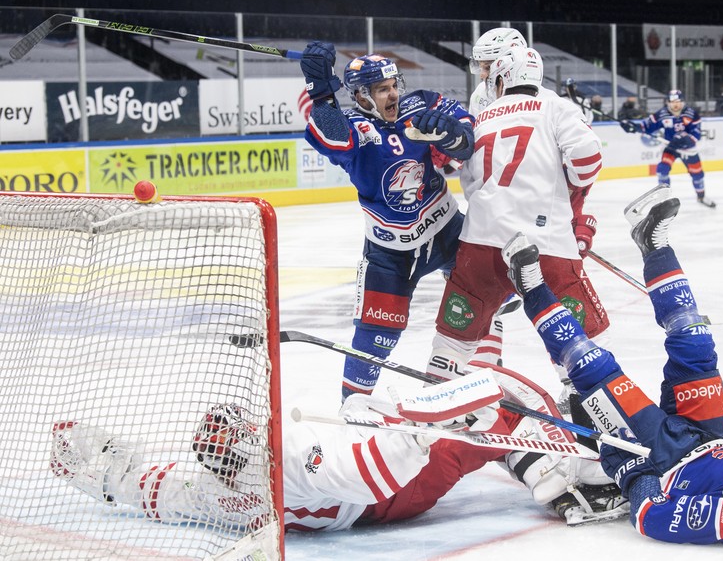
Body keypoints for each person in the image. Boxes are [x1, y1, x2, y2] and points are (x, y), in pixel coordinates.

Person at [499, 185, 723, 547]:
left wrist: (635, 473)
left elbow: (651, 518)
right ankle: (653, 243)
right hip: (708, 435)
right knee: (694, 337)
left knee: (591, 364)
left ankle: (531, 289)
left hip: (662, 457)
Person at [49, 369, 627, 532]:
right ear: (252, 441)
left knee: (467, 412)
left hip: (363, 497)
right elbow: (371, 475)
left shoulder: (220, 494)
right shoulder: (294, 453)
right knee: (499, 397)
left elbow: (159, 490)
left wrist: (103, 473)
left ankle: (533, 459)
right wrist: (419, 428)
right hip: (393, 496)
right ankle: (579, 468)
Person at [424, 47, 611, 487]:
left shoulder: (482, 116)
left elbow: (447, 164)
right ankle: (586, 407)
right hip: (544, 244)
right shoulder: (557, 106)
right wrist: (566, 201)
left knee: (455, 337)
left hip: (480, 244)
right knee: (577, 333)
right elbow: (586, 163)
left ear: (501, 75)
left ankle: (436, 401)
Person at [300, 41, 487, 401]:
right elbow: (330, 137)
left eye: (393, 86)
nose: (393, 95)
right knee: (375, 334)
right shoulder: (355, 128)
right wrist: (321, 92)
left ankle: (479, 379)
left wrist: (448, 131)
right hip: (389, 252)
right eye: (382, 89)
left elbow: (467, 140)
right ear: (362, 96)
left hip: (446, 230)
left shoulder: (422, 104)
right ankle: (353, 408)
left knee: (484, 291)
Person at [620, 90, 716, 208]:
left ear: (682, 102)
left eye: (678, 101)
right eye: (672, 102)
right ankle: (664, 201)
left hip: (689, 150)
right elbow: (646, 126)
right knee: (662, 170)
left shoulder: (692, 114)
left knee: (697, 175)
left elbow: (696, 134)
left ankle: (701, 197)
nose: (675, 104)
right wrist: (632, 127)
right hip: (671, 148)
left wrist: (684, 139)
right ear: (668, 103)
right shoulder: (662, 114)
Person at [467, 27, 528, 119]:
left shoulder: (548, 102)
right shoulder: (480, 93)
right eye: (480, 66)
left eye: (488, 67)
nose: (482, 75)